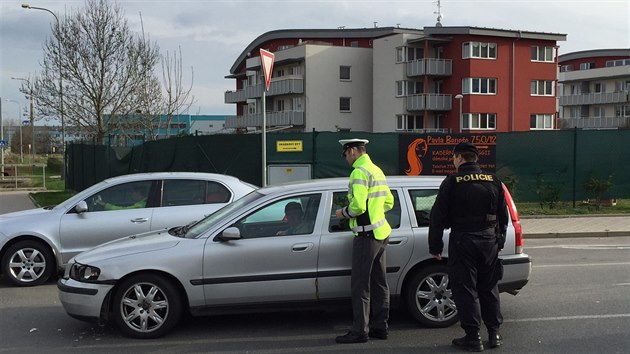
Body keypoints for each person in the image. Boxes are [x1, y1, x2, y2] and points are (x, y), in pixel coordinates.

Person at [428, 141, 508, 352]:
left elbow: (437, 217)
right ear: (476, 159)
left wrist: (435, 246)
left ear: (460, 158)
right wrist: (499, 239)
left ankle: (473, 337)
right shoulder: (493, 180)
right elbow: (503, 215)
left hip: (463, 241)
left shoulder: (452, 181)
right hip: (489, 241)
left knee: (465, 289)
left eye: (454, 158)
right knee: (489, 287)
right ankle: (494, 334)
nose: (453, 162)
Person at [334, 138, 395, 344]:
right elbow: (389, 202)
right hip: (381, 233)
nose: (345, 159)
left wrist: (343, 213)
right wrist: (375, 214)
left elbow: (358, 206)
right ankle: (380, 327)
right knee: (380, 283)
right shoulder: (376, 169)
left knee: (360, 286)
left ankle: (360, 331)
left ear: (352, 152)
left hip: (366, 236)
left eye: (345, 155)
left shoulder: (358, 172)